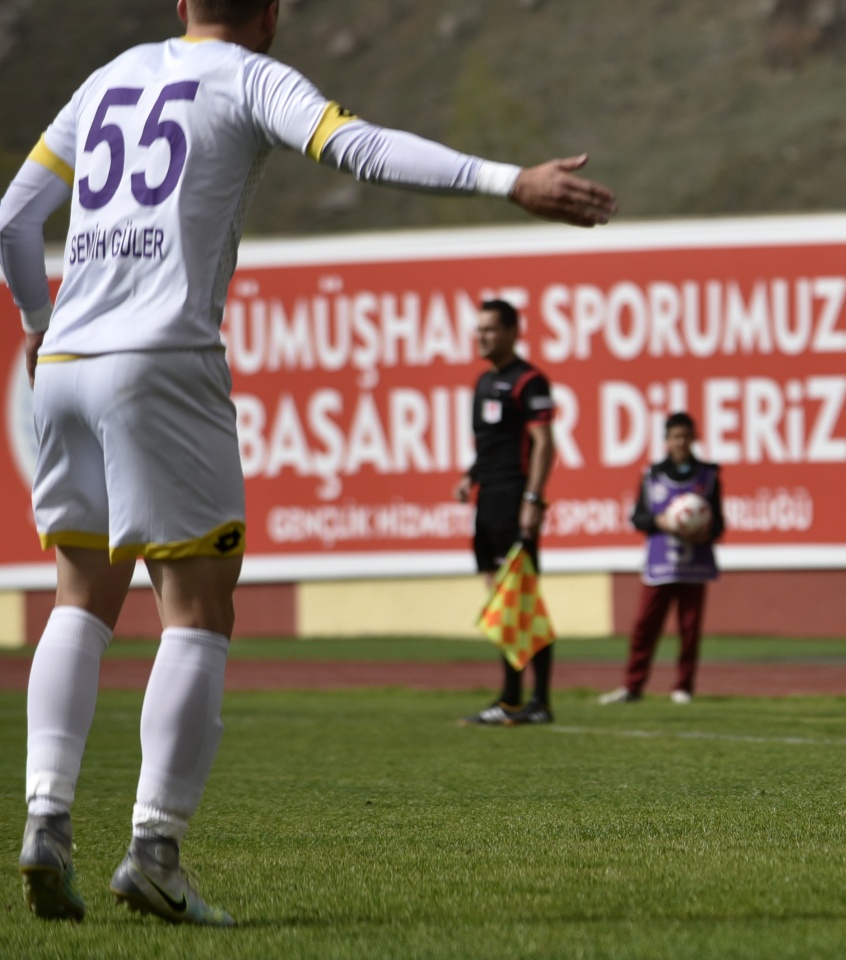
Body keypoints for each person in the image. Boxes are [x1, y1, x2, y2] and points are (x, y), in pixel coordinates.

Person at [0, 0, 615, 926]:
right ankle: (155, 850)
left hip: (69, 370)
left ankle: (45, 819)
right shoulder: (251, 77)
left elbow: (12, 220)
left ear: (180, 5)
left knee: (82, 597)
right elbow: (360, 150)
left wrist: (42, 328)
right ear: (272, 13)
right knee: (197, 611)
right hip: (160, 364)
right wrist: (509, 181)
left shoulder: (106, 79)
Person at [454, 299, 557, 727]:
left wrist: (532, 500)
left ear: (514, 332)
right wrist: (470, 475)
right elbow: (490, 445)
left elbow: (544, 445)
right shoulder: (482, 383)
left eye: (490, 329)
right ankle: (513, 700)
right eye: (479, 329)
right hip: (488, 501)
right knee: (501, 600)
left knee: (523, 601)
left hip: (516, 500)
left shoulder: (529, 381)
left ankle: (536, 700)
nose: (482, 337)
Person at [599, 412, 724, 706]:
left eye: (686, 436)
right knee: (645, 624)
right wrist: (663, 522)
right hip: (660, 563)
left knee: (690, 629)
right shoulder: (652, 474)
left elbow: (719, 522)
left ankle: (684, 686)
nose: (681, 442)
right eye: (675, 437)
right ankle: (632, 686)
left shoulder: (709, 475)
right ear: (666, 441)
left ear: (694, 438)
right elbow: (638, 517)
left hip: (695, 562)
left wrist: (704, 532)